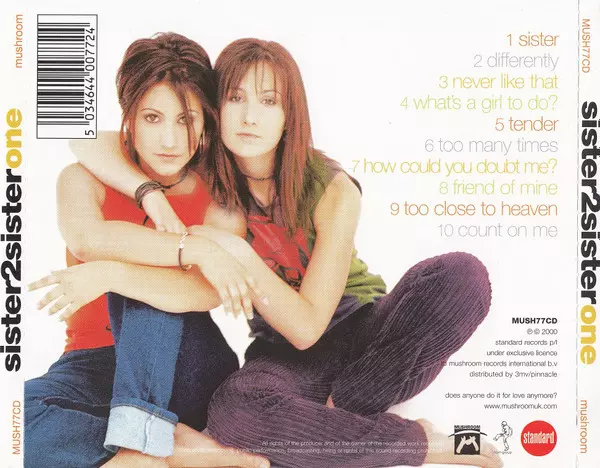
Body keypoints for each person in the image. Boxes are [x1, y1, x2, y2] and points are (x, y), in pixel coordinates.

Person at [47, 38, 502, 468]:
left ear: (290, 115)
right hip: (281, 352)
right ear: (216, 111)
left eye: (269, 101)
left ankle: (342, 413)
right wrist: (149, 193)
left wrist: (235, 253)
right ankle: (406, 437)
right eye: (236, 98)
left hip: (361, 325)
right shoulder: (206, 174)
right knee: (234, 413)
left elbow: (308, 327)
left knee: (461, 275)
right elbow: (90, 141)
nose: (250, 117)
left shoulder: (332, 188)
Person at [26, 32, 269, 468]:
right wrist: (192, 246)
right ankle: (173, 449)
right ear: (129, 119)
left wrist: (111, 274)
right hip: (91, 362)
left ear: (206, 121)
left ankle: (139, 444)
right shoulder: (81, 179)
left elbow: (202, 293)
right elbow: (87, 239)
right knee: (12, 418)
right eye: (153, 118)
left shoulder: (221, 201)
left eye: (186, 120)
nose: (170, 141)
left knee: (146, 286)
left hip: (185, 365)